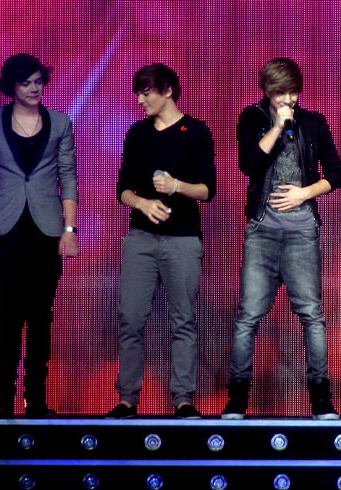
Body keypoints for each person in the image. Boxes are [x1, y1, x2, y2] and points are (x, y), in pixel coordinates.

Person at [221, 57, 341, 420]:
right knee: (248, 316)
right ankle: (237, 398)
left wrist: (305, 193)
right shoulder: (251, 118)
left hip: (302, 231)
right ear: (267, 91)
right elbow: (248, 165)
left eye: (292, 93)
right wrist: (276, 127)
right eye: (280, 94)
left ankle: (321, 398)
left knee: (312, 315)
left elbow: (337, 173)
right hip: (262, 230)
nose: (288, 100)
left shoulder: (314, 122)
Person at [0, 53, 79, 418]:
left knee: (41, 315)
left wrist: (69, 229)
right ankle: (4, 398)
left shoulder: (60, 123)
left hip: (47, 229)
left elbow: (69, 177)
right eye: (26, 83)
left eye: (38, 82)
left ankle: (37, 400)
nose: (34, 89)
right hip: (7, 228)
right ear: (11, 86)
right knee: (10, 312)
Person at [107, 63, 216, 420]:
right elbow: (123, 189)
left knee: (183, 319)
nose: (140, 100)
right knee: (130, 318)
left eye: (146, 93)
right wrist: (143, 203)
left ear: (168, 91)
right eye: (138, 94)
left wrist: (176, 186)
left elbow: (207, 190)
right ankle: (127, 399)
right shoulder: (137, 134)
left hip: (182, 239)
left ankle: (183, 398)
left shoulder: (196, 131)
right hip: (141, 238)